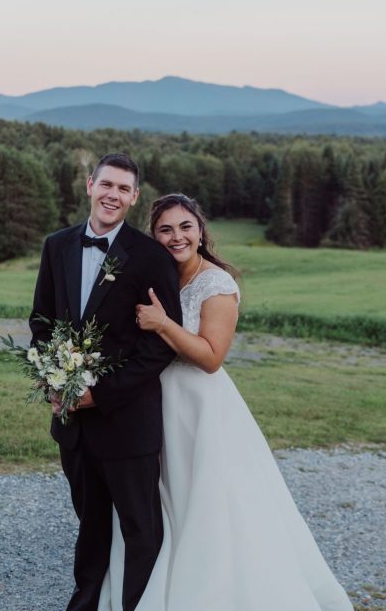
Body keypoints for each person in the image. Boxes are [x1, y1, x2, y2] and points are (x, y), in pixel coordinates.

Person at [96, 193, 354, 611]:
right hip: (149, 399)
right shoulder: (153, 276)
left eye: (185, 227)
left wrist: (162, 324)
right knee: (156, 499)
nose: (176, 237)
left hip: (198, 407)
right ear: (153, 235)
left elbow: (211, 358)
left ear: (200, 230)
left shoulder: (217, 283)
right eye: (165, 229)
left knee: (205, 499)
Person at [29, 153, 183, 611]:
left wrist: (100, 394)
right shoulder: (56, 246)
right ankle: (86, 604)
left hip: (127, 421)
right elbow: (41, 322)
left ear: (134, 198)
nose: (113, 195)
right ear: (90, 185)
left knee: (140, 530)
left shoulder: (152, 256)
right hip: (71, 423)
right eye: (107, 185)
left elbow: (160, 346)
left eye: (123, 189)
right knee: (90, 524)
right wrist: (54, 382)